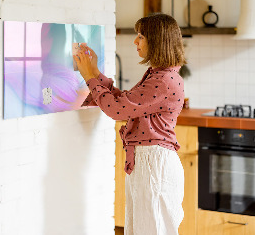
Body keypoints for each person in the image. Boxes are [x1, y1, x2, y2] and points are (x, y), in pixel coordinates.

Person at [74, 13, 186, 235]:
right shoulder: (159, 75)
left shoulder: (163, 80)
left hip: (154, 164)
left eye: (141, 36)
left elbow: (117, 110)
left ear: (157, 41)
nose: (135, 41)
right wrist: (95, 73)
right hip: (149, 162)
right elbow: (125, 102)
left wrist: (89, 77)